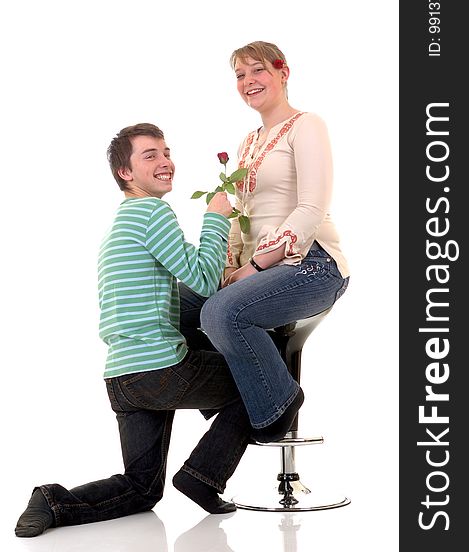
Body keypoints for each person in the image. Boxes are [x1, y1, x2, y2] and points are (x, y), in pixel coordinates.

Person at [15, 123, 252, 538]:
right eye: (150, 155)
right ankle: (203, 476)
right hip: (159, 370)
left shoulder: (122, 224)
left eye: (166, 151)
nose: (164, 161)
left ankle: (53, 501)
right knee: (261, 384)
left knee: (141, 488)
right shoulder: (151, 212)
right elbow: (201, 277)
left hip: (123, 377)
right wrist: (216, 219)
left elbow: (178, 286)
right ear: (125, 173)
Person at [179, 41, 350, 443]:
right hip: (255, 272)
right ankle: (241, 395)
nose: (248, 81)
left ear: (283, 72)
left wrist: (252, 269)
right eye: (240, 75)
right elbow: (242, 216)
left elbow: (310, 208)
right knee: (174, 307)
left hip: (311, 264)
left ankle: (277, 406)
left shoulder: (308, 125)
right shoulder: (249, 143)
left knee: (221, 313)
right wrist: (224, 270)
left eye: (257, 70)